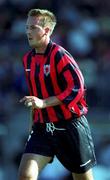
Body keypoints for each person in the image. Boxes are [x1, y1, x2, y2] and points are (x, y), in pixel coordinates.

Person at [18, 9, 96, 180]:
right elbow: (35, 97)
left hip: (70, 126)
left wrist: (44, 103)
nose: (28, 32)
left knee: (82, 178)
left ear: (46, 30)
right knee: (25, 174)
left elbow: (77, 87)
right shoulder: (27, 59)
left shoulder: (59, 55)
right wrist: (32, 126)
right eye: (27, 28)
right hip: (43, 128)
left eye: (33, 28)